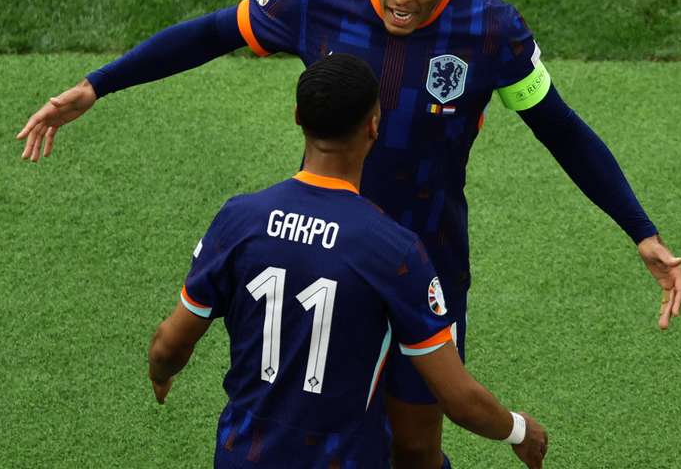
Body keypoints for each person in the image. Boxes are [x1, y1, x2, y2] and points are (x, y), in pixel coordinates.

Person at [19, 0, 681, 468]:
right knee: (325, 432)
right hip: (328, 262)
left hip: (428, 261)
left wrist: (640, 230)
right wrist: (97, 86)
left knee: (417, 447)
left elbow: (559, 127)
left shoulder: (491, 29)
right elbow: (214, 32)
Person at [148, 53, 548, 468]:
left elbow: (168, 346)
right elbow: (458, 398)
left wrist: (161, 373)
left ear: (298, 116)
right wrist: (519, 429)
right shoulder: (395, 250)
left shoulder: (239, 220)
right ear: (374, 124)